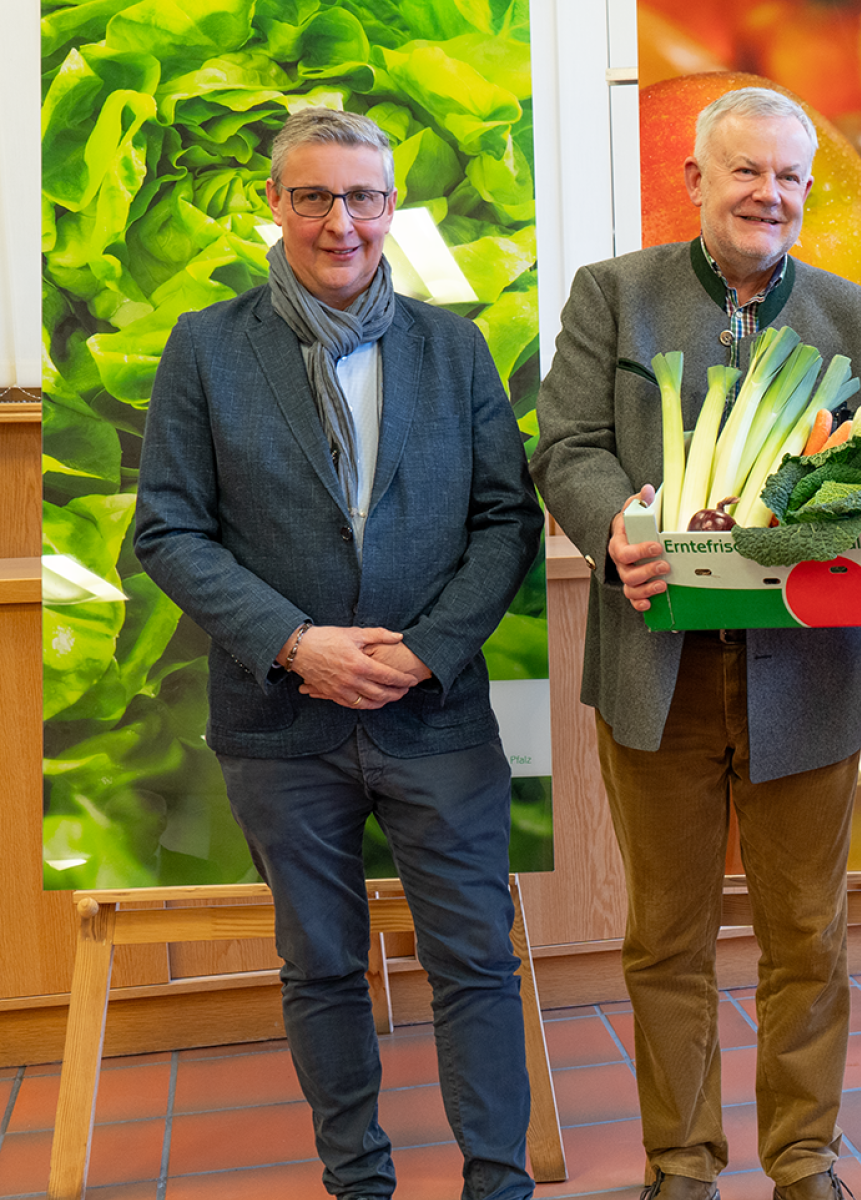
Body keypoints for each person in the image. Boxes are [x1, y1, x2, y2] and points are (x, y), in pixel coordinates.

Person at [134, 107, 543, 1199]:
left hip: (435, 715)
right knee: (320, 966)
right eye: (312, 194)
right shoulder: (207, 347)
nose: (339, 221)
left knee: (476, 962)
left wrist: (429, 653)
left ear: (391, 207)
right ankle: (356, 1181)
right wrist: (294, 643)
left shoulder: (453, 349)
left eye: (362, 196)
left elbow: (507, 520)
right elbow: (166, 529)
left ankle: (496, 1182)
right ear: (274, 204)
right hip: (281, 724)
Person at [530, 87, 861, 1200]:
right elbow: (566, 447)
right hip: (657, 666)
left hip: (806, 675)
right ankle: (681, 1165)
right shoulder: (615, 298)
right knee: (665, 937)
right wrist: (617, 527)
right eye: (744, 172)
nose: (769, 194)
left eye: (789, 176)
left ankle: (804, 1164)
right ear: (693, 181)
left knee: (809, 935)